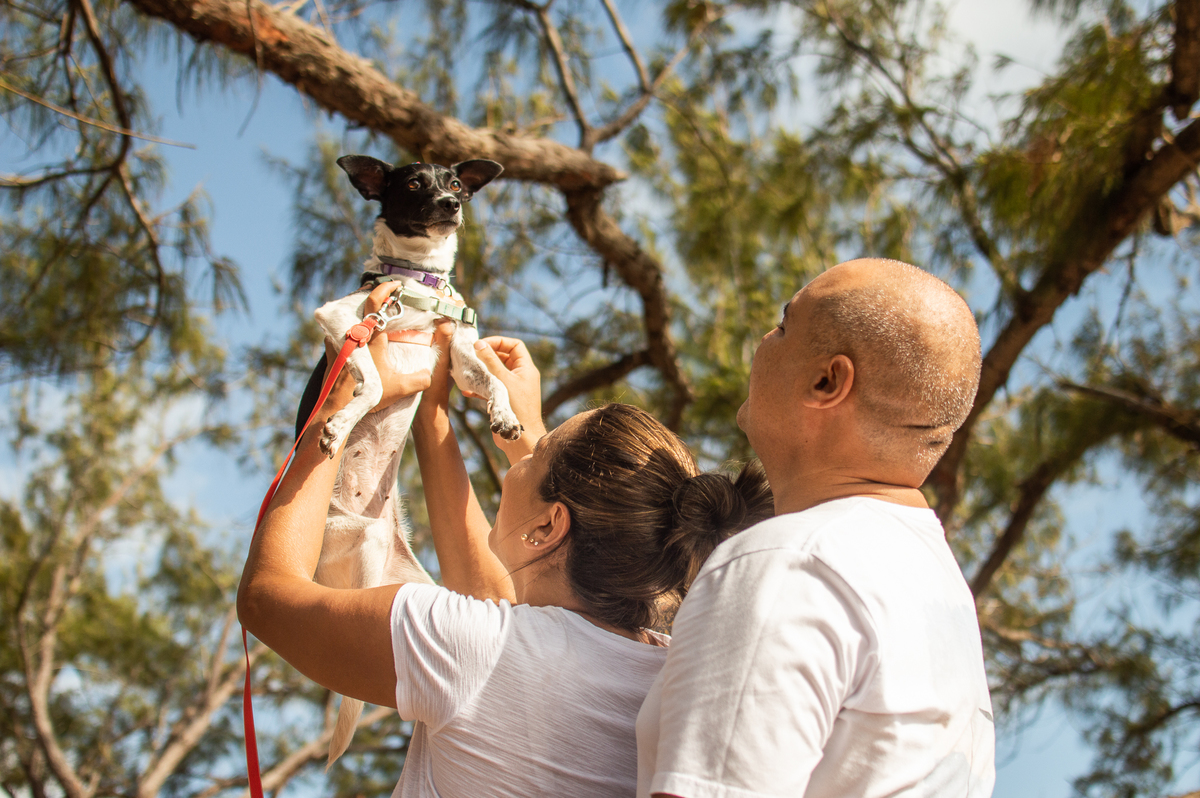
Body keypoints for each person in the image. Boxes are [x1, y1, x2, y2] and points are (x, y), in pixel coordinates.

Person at [237, 282, 774, 797]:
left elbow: (266, 598)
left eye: (534, 456)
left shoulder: (468, 649)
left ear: (548, 527)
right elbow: (499, 605)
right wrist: (440, 407)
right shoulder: (672, 673)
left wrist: (338, 400)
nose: (520, 455)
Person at [634, 257, 996, 797]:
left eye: (783, 324)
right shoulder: (934, 589)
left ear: (827, 381)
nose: (763, 337)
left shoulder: (792, 562)